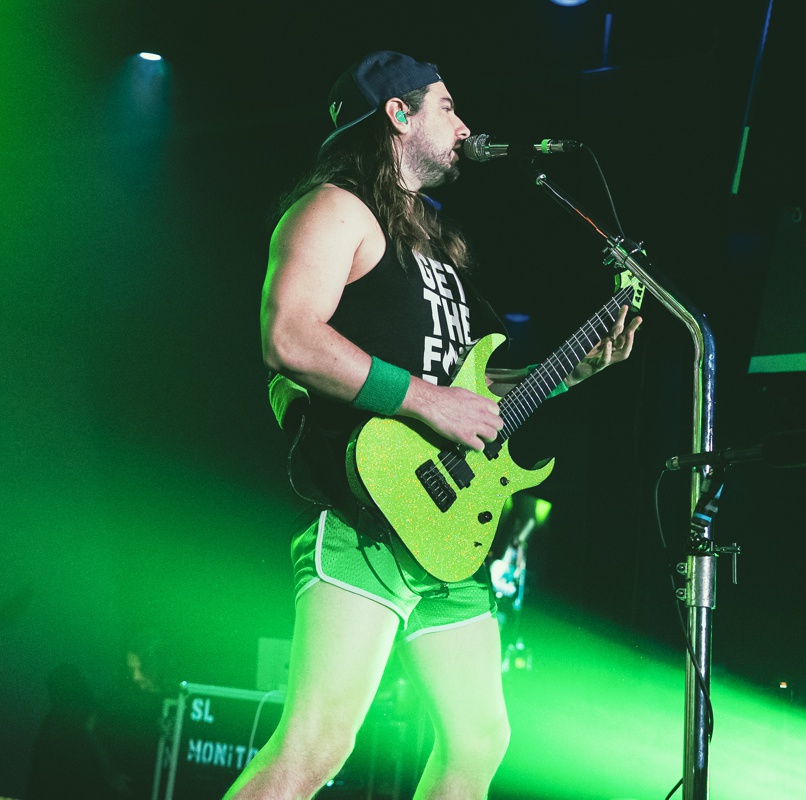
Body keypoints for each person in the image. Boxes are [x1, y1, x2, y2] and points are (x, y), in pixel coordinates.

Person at [224, 50, 640, 800]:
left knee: (479, 741)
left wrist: (572, 370)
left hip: (447, 530)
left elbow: (466, 390)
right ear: (398, 114)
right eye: (447, 106)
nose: (465, 125)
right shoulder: (334, 209)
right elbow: (288, 337)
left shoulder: (432, 244)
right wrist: (424, 400)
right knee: (317, 747)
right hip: (368, 511)